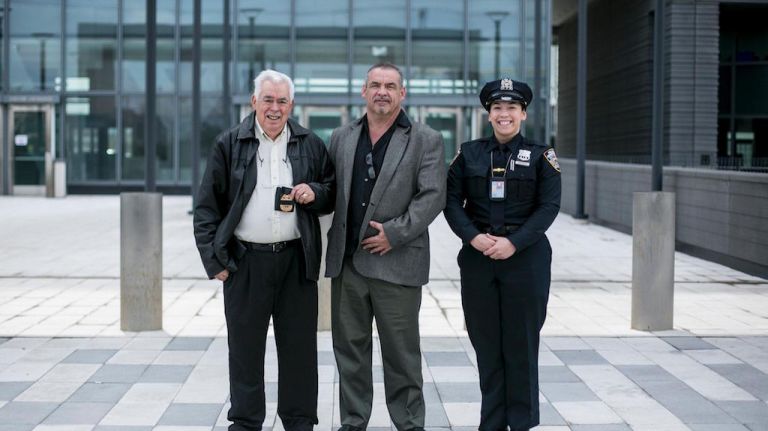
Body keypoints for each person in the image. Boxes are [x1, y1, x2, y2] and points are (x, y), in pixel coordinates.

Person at [193, 69, 334, 431]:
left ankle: (300, 422)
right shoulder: (229, 143)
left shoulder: (310, 143)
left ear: (292, 104)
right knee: (244, 351)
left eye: (282, 101)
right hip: (245, 262)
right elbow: (207, 207)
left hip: (295, 260)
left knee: (300, 350)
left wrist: (315, 193)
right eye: (268, 99)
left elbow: (330, 189)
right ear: (254, 101)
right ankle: (245, 422)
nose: (275, 108)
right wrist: (215, 260)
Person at [325, 63, 446, 431]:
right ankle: (352, 422)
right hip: (347, 266)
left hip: (396, 265)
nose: (382, 91)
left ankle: (409, 424)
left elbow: (433, 196)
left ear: (402, 94)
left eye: (390, 86)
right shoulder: (341, 137)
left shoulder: (426, 139)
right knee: (349, 355)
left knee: (402, 357)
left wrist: (394, 233)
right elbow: (330, 190)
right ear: (364, 91)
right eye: (375, 85)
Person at [444, 78, 561, 431]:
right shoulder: (468, 153)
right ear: (489, 114)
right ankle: (491, 423)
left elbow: (549, 207)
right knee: (486, 344)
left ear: (523, 113)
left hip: (525, 260)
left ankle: (522, 423)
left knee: (522, 344)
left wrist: (514, 242)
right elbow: (451, 202)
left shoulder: (543, 156)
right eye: (497, 108)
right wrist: (474, 238)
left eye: (512, 108)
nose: (504, 114)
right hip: (479, 261)